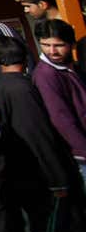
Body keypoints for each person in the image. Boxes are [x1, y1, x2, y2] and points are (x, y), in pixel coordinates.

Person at [0, 33, 83, 232]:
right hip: (41, 175)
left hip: (21, 171)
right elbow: (39, 137)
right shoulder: (22, 89)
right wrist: (57, 179)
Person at [32, 19, 86, 186]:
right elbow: (61, 118)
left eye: (59, 45)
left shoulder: (71, 67)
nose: (52, 51)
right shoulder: (46, 75)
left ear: (71, 44)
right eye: (46, 45)